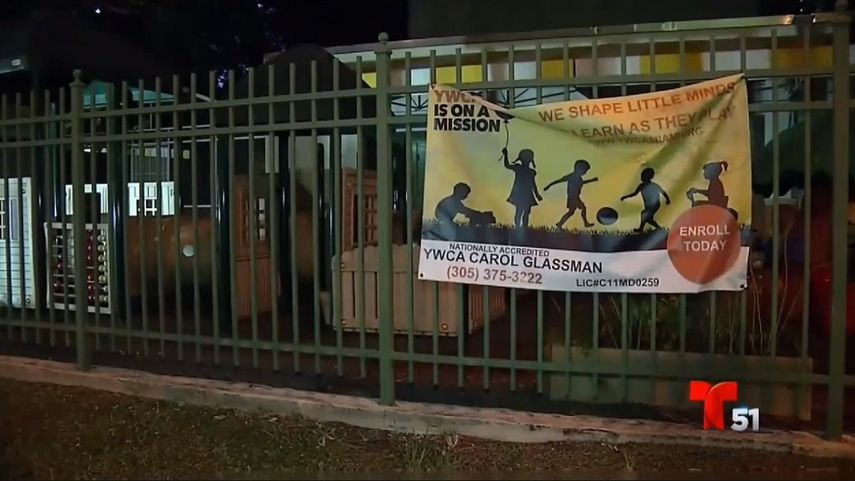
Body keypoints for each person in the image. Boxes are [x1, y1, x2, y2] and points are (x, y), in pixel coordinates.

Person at [545, 159, 599, 229]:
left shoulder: (578, 178)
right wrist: (549, 185)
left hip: (574, 196)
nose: (585, 172)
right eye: (585, 170)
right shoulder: (571, 176)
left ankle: (560, 224)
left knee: (571, 212)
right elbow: (559, 180)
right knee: (582, 208)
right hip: (573, 196)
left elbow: (581, 183)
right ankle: (585, 223)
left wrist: (592, 180)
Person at [621, 167, 671, 232]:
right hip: (648, 205)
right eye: (642, 175)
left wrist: (667, 199)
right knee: (647, 217)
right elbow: (634, 193)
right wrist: (625, 197)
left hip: (655, 205)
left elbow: (663, 192)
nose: (641, 177)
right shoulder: (641, 186)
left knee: (645, 215)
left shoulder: (654, 185)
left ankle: (649, 228)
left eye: (643, 175)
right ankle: (656, 228)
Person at [502, 148, 542, 228]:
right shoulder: (524, 170)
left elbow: (533, 184)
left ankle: (523, 228)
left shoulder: (525, 170)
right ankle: (520, 228)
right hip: (523, 193)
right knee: (521, 211)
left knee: (523, 211)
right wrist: (505, 154)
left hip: (523, 193)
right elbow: (533, 185)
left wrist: (537, 194)